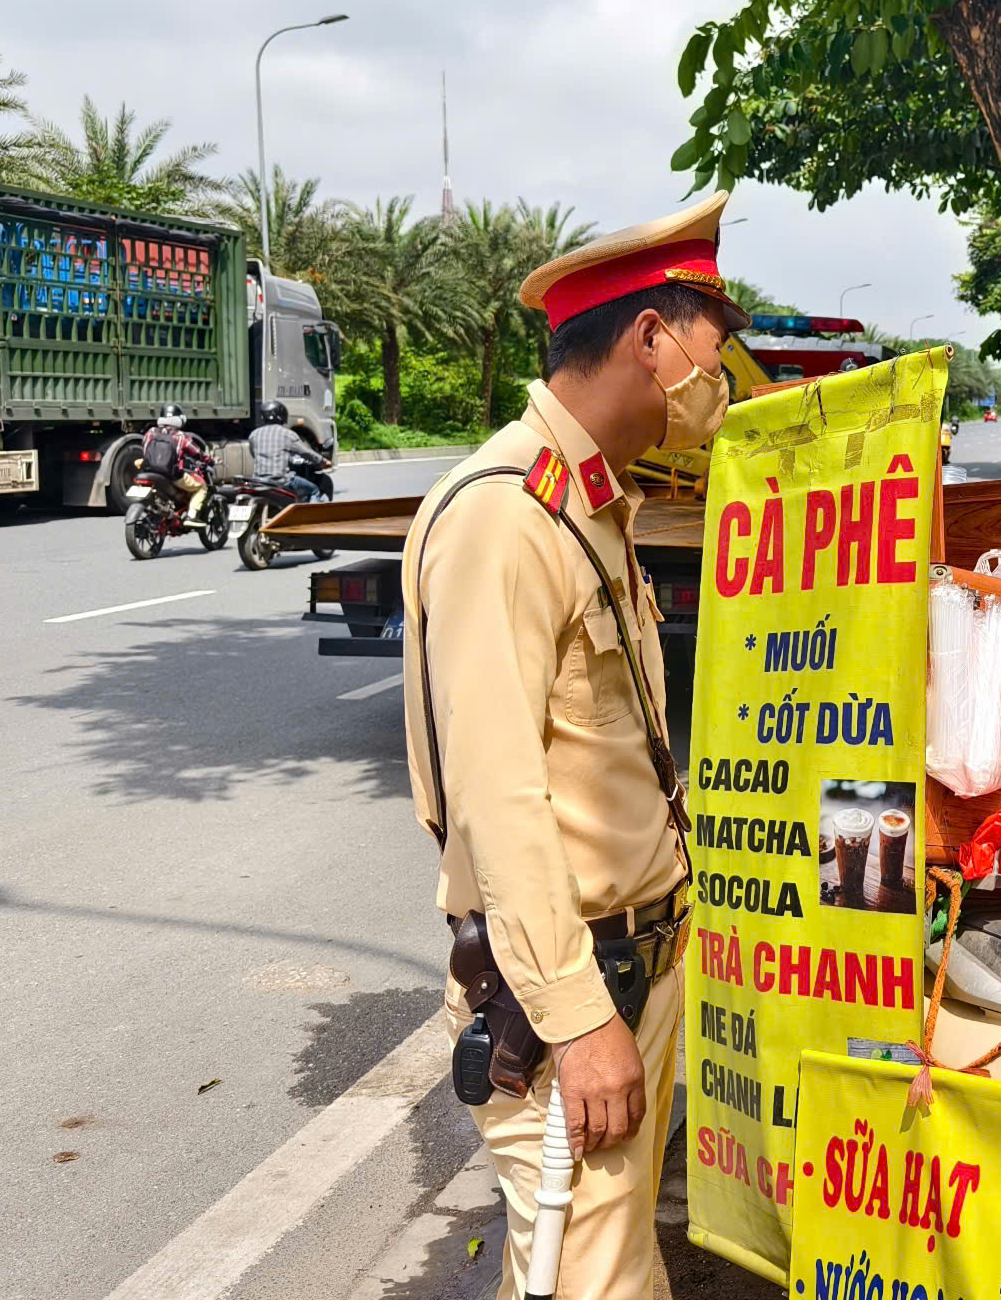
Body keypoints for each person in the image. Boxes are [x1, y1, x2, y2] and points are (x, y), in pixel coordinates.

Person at [403, 190, 747, 1300]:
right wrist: (580, 1019)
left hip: (632, 969)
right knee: (606, 1284)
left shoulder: (596, 505)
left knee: (569, 1270)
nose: (720, 378)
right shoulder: (508, 516)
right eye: (712, 344)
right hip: (570, 999)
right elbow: (497, 798)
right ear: (649, 337)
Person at [141, 403, 213, 525]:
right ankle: (191, 516)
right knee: (201, 487)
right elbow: (197, 453)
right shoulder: (180, 436)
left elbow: (145, 449)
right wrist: (209, 460)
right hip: (171, 475)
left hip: (149, 471)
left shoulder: (151, 432)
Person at [248, 400, 327, 502]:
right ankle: (311, 517)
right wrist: (322, 461)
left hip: (259, 481)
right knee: (314, 490)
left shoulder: (254, 434)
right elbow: (306, 452)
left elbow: (253, 454)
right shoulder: (288, 434)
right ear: (282, 415)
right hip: (281, 481)